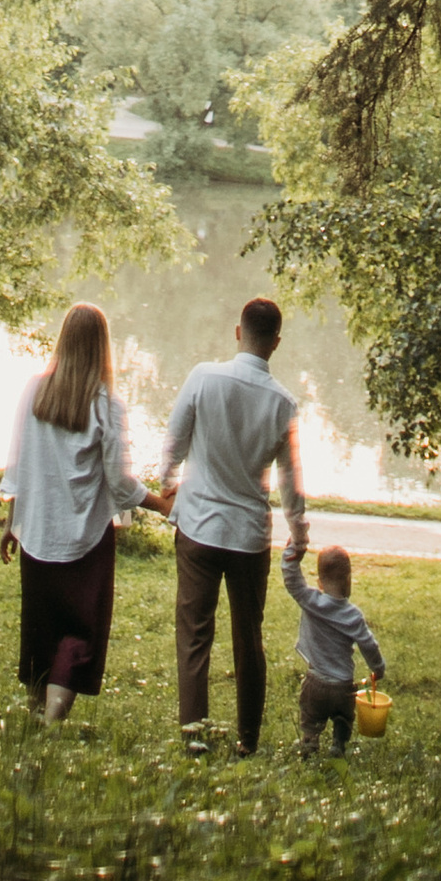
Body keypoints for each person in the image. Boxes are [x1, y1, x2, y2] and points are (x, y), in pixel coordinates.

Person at [153, 293, 305, 754]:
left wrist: (167, 482)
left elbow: (174, 442)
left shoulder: (204, 377)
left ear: (238, 332)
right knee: (249, 639)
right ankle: (248, 741)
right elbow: (290, 478)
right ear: (276, 343)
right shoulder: (284, 404)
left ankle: (194, 739)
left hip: (199, 528)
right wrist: (299, 532)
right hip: (248, 537)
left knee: (195, 635)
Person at [0, 301, 144, 722]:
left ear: (63, 340)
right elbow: (119, 482)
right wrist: (157, 502)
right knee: (79, 633)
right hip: (86, 538)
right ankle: (49, 721)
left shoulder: (35, 390)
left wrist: (12, 523)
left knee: (40, 627)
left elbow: (17, 461)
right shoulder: (107, 404)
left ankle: (35, 715)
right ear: (102, 347)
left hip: (39, 530)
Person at [280, 529, 387, 756]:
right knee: (344, 717)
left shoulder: (310, 600)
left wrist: (293, 548)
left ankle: (310, 742)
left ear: (319, 582)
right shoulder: (353, 615)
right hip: (343, 686)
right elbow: (369, 645)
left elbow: (291, 578)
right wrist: (377, 668)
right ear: (348, 581)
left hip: (315, 681)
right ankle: (338, 743)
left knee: (310, 717)